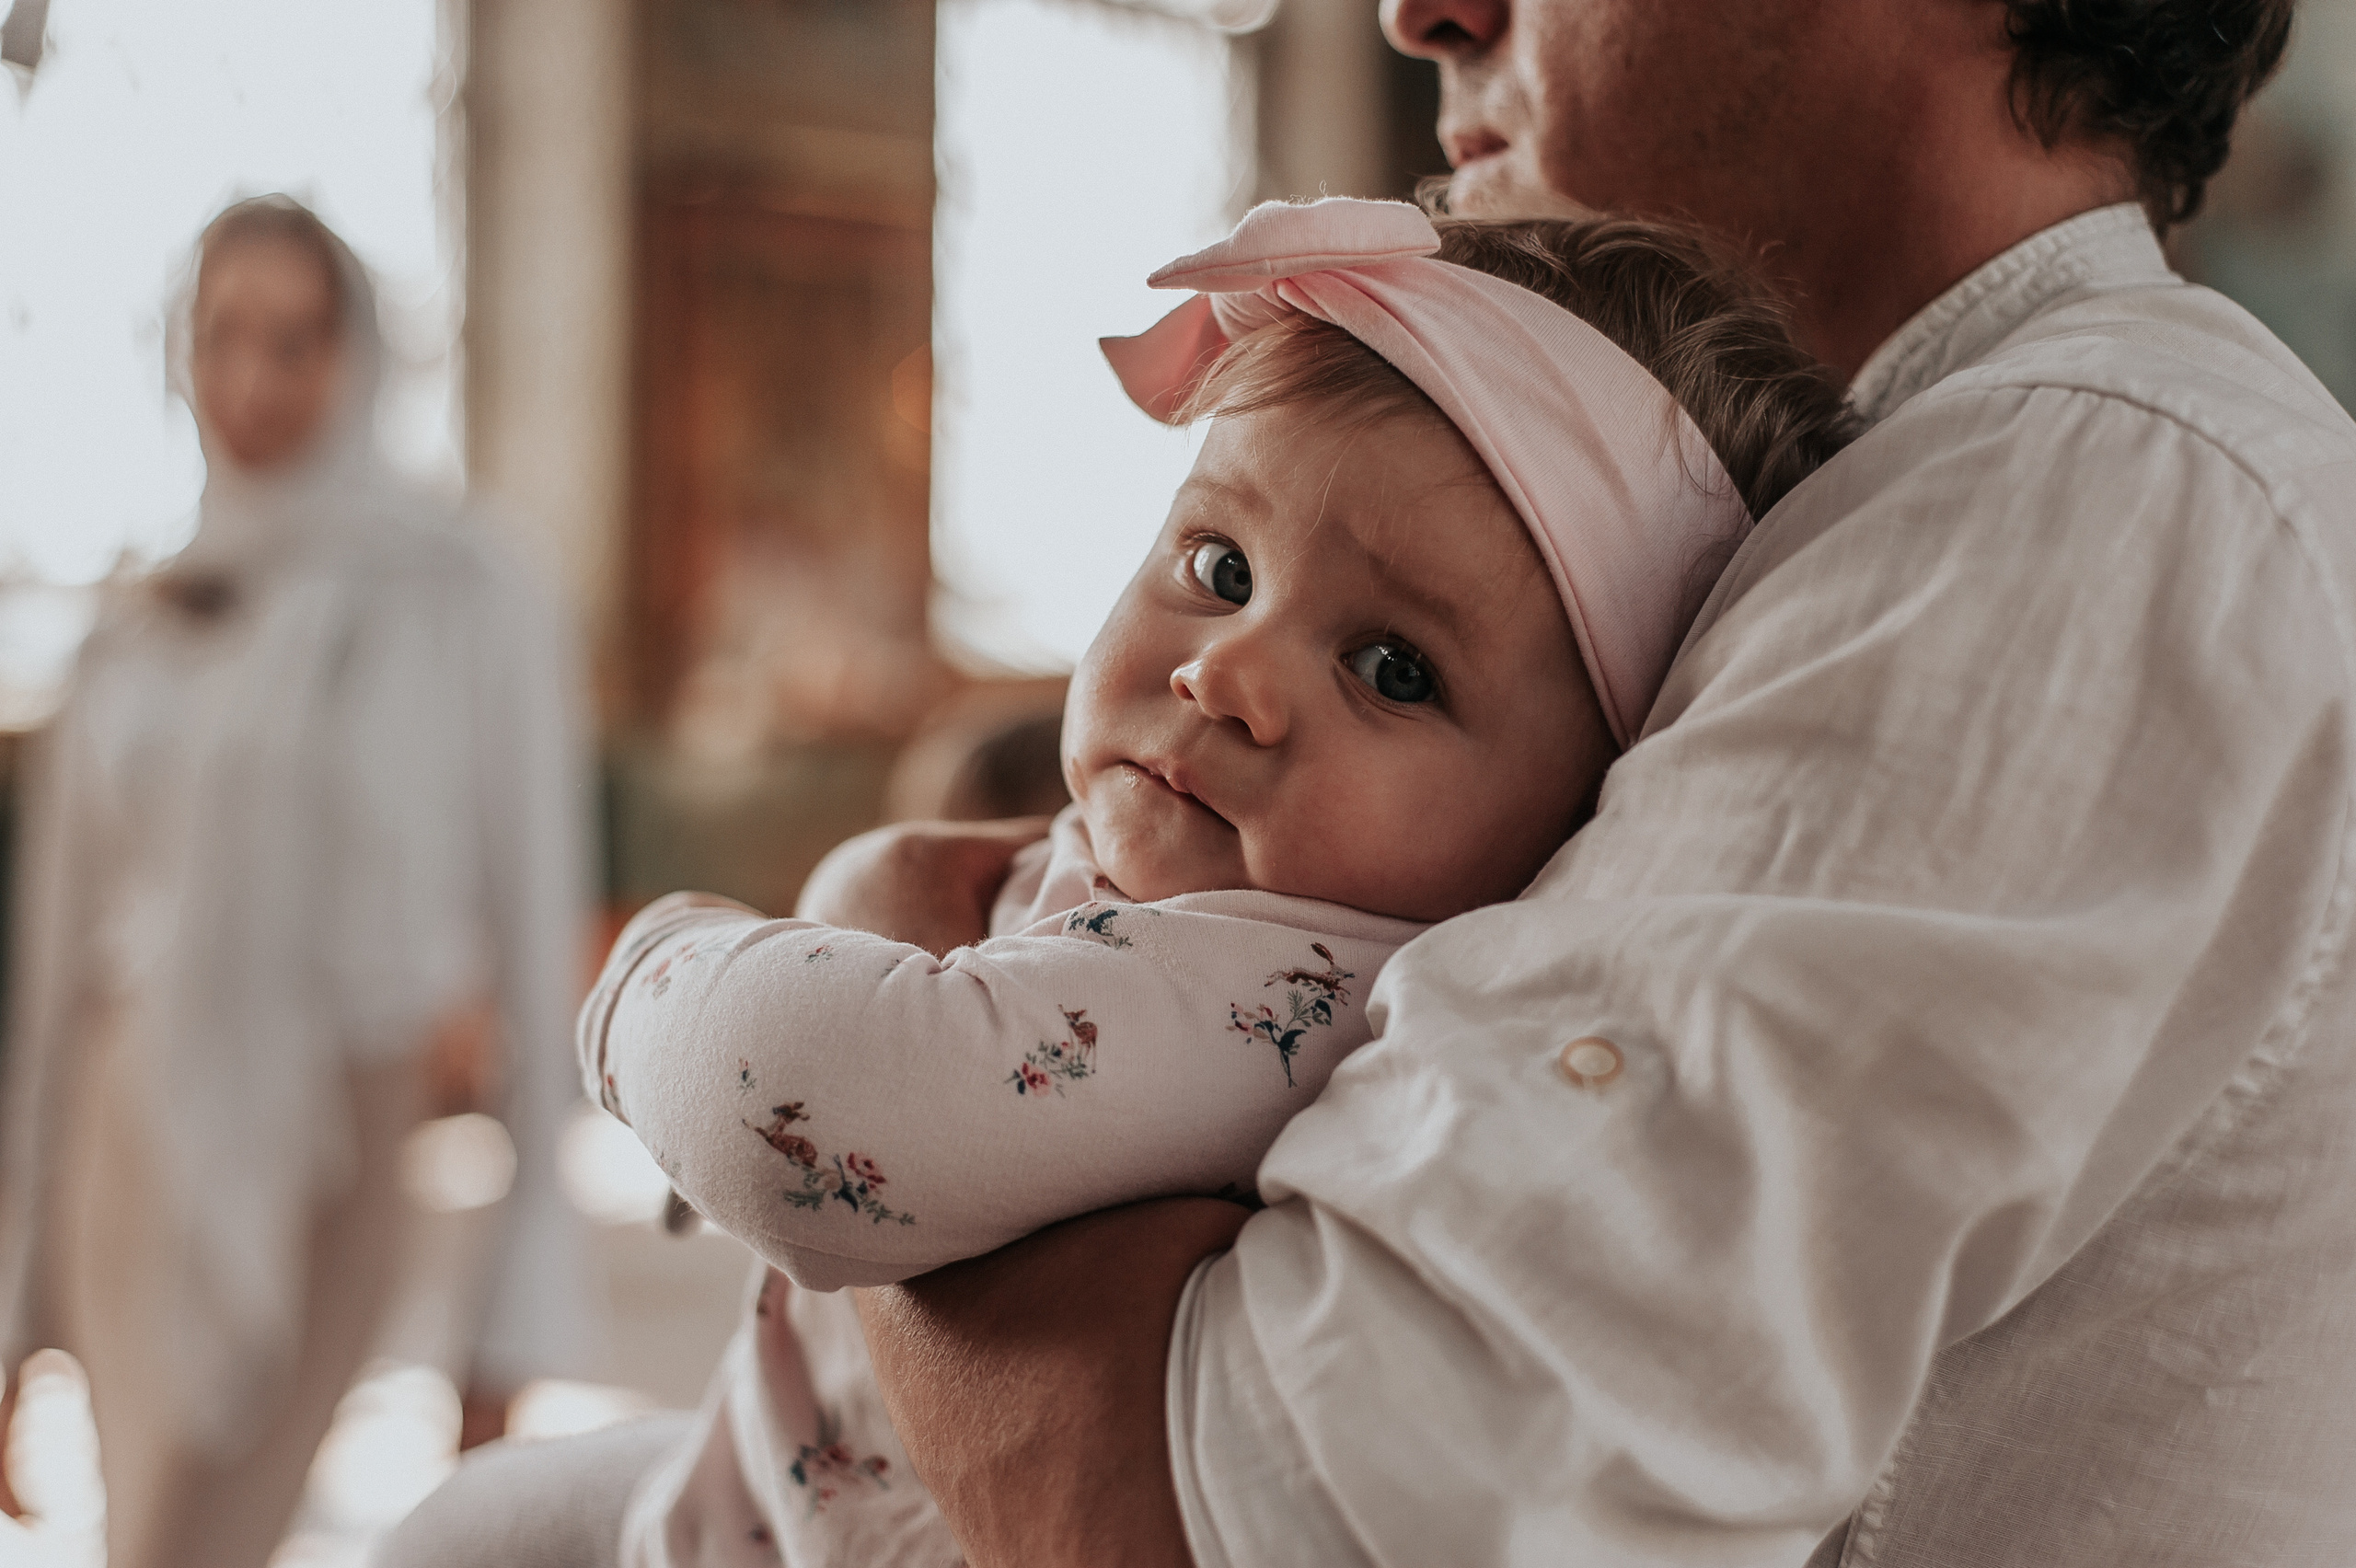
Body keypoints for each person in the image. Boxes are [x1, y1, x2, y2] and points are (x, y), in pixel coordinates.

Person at [830, 3, 2356, 1566]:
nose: (1418, 13)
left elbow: (1249, 1512)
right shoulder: (1850, 512)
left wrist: (897, 1020)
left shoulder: (2073, 500)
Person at [384, 200, 1853, 1565]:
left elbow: (801, 1099)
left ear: (1581, 815)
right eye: (1219, 566)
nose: (1231, 672)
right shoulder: (1203, 879)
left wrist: (650, 968)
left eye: (1394, 668)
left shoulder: (1282, 987)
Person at [0, 195, 595, 1568]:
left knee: (206, 1536)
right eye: (222, 339)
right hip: (126, 1146)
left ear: (362, 356)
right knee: (146, 1536)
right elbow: (59, 974)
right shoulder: (132, 621)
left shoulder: (465, 587)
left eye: (296, 340)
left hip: (343, 1131)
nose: (253, 384)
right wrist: (19, 1309)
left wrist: (513, 1310)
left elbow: (529, 927)